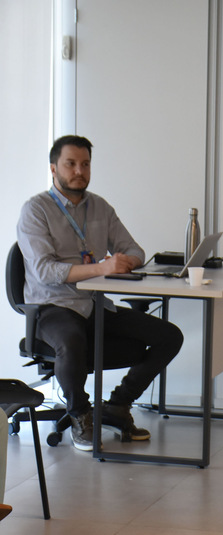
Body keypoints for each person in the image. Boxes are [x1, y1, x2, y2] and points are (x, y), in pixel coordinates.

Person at [16, 135, 184, 451]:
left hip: (94, 303)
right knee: (71, 340)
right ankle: (79, 414)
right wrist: (102, 268)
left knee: (169, 336)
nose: (79, 171)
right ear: (53, 168)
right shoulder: (35, 210)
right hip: (52, 305)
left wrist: (126, 261)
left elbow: (134, 249)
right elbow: (44, 271)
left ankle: (118, 405)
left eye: (85, 164)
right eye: (70, 164)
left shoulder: (100, 207)